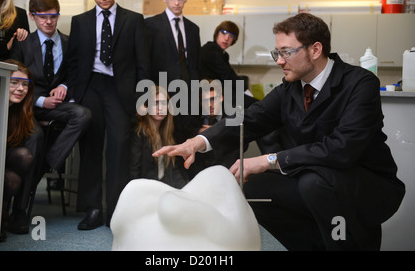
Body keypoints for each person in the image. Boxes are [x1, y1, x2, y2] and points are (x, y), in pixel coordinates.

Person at [153, 13, 405, 251]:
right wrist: (198, 141)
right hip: (314, 179)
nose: (279, 60)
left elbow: (342, 149)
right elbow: (249, 118)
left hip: (368, 185)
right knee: (255, 189)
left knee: (312, 183)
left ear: (315, 50)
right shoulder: (290, 88)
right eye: (277, 52)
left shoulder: (359, 83)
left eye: (287, 52)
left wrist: (270, 160)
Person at [67, 0, 150, 230]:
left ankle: (115, 210)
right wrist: (73, 94)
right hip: (90, 87)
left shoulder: (134, 19)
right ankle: (93, 209)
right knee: (91, 148)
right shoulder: (80, 21)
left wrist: (143, 97)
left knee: (118, 148)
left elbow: (143, 63)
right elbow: (73, 62)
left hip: (120, 89)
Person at [9, 0, 90, 175]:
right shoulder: (22, 44)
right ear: (32, 16)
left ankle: (48, 163)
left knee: (83, 115)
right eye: (42, 17)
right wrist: (40, 100)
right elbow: (13, 81)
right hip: (27, 106)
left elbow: (75, 74)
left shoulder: (69, 43)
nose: (48, 21)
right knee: (35, 137)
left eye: (53, 16)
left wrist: (65, 86)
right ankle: (22, 201)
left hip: (56, 106)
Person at [0, 59, 38, 235]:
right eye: (15, 83)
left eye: (25, 85)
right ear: (0, 82)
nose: (20, 89)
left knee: (21, 161)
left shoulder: (19, 112)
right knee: (8, 177)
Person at [145, 0, 202, 155]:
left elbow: (195, 66)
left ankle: (186, 182)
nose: (176, 2)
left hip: (188, 97)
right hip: (162, 96)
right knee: (164, 145)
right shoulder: (150, 26)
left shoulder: (193, 29)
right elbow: (145, 63)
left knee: (186, 146)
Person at [130, 85, 187, 188]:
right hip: (146, 192)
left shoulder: (167, 134)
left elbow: (172, 170)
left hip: (164, 189)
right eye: (155, 103)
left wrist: (186, 189)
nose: (160, 108)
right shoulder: (140, 132)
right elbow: (134, 171)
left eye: (164, 104)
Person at [200, 20, 257, 108]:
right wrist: (246, 92)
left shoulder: (223, 54)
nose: (226, 38)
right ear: (217, 34)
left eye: (231, 36)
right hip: (209, 95)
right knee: (255, 105)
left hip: (220, 92)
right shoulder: (210, 50)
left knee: (254, 105)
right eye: (224, 33)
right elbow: (228, 75)